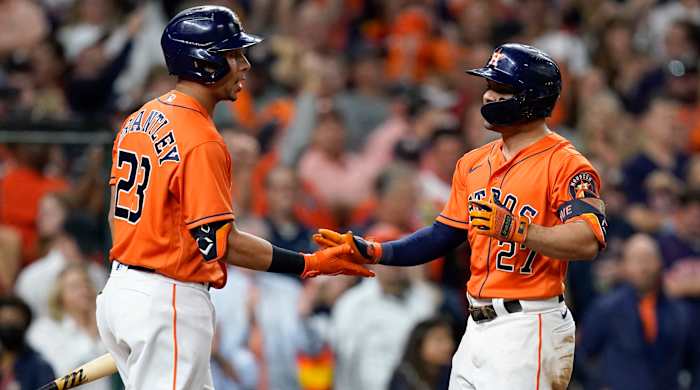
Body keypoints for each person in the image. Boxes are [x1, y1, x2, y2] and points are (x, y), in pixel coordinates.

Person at [96, 6, 373, 390]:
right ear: (204, 61)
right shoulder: (202, 138)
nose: (244, 65)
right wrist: (309, 264)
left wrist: (133, 282)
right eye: (233, 55)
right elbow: (219, 243)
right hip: (166, 297)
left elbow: (115, 212)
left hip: (123, 290)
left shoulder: (138, 118)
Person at [314, 43, 608, 390]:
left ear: (530, 98)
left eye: (500, 89)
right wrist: (377, 251)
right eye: (488, 86)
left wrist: (518, 229)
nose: (487, 96)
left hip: (530, 325)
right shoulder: (472, 163)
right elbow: (442, 235)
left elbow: (587, 241)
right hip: (477, 325)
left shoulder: (567, 163)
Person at [577, 234, 696, 390]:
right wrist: (597, 384)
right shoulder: (605, 308)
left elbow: (694, 361)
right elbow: (582, 356)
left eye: (648, 258)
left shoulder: (681, 313)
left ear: (660, 262)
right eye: (636, 260)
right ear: (624, 266)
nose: (643, 267)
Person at [28, 264, 110, 390]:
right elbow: (61, 374)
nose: (84, 291)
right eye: (75, 287)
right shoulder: (44, 330)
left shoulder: (107, 323)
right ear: (59, 296)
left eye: (87, 284)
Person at [0, 296, 55, 389]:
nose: (9, 326)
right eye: (4, 321)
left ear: (25, 324)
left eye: (14, 321)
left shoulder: (40, 367)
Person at [388, 317, 455, 390]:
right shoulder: (405, 377)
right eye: (439, 340)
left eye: (449, 338)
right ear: (419, 345)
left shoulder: (450, 373)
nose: (448, 345)